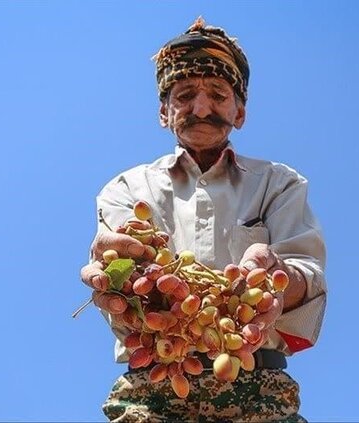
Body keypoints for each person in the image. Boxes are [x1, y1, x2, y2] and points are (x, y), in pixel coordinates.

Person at [80, 17, 327, 423]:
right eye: (185, 95)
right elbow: (119, 282)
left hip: (258, 387)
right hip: (153, 389)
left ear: (240, 111)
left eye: (217, 94)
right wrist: (114, 277)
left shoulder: (279, 184)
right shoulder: (124, 189)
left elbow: (306, 273)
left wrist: (281, 279)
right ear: (164, 111)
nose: (201, 107)